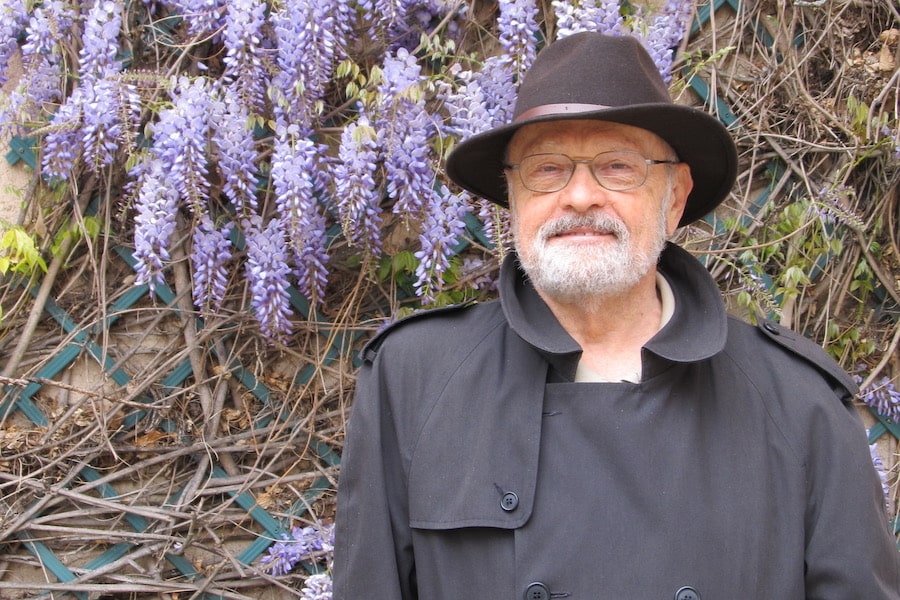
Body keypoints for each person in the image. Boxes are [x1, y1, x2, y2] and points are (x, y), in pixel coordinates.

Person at [332, 32, 900, 599]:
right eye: (548, 169)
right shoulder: (412, 381)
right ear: (513, 199)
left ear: (674, 198)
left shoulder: (799, 403)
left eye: (618, 166)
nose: (580, 196)